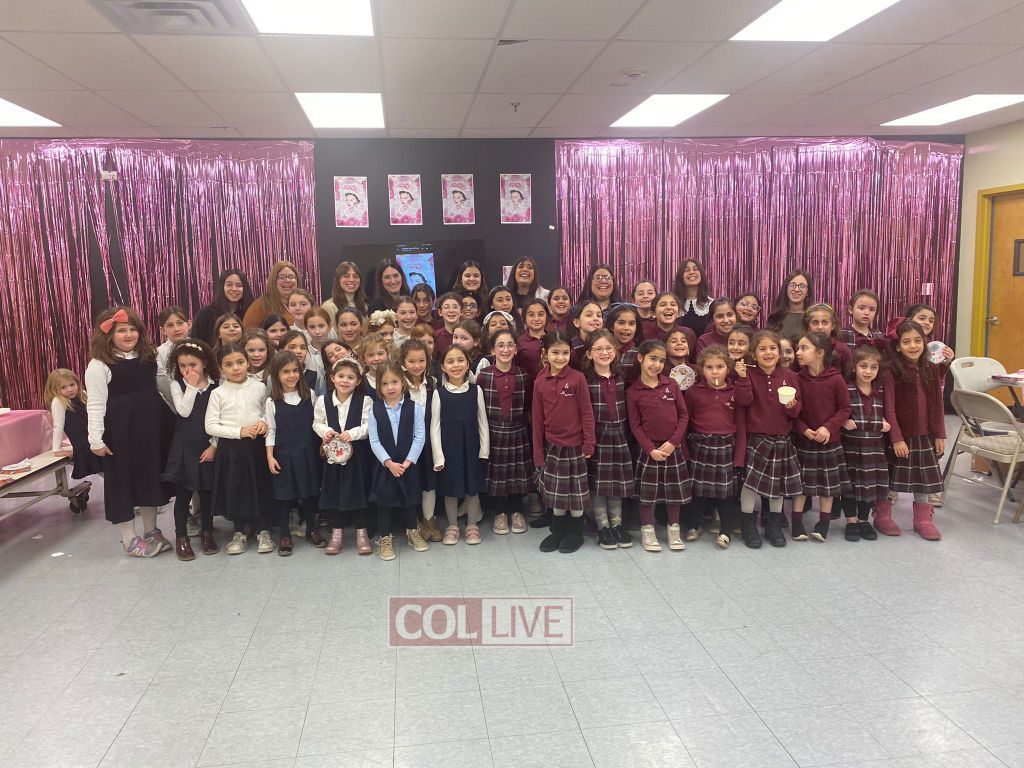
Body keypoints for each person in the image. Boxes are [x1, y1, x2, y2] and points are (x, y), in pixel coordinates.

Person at [85, 307, 173, 557]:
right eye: (121, 330)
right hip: (120, 432)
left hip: (150, 429)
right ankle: (129, 539)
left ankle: (151, 530)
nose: (128, 335)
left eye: (133, 329)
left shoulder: (149, 356)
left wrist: (180, 411)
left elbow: (163, 385)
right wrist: (95, 439)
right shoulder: (99, 365)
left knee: (149, 477)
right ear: (108, 334)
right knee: (122, 481)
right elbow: (95, 404)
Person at [205, 342, 273, 555]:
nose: (236, 368)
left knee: (260, 487)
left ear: (247, 362)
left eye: (240, 362)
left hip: (256, 446)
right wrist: (239, 431)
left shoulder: (259, 386)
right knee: (236, 489)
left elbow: (268, 410)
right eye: (229, 364)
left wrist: (263, 421)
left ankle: (263, 531)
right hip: (231, 450)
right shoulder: (218, 393)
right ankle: (239, 532)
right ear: (221, 368)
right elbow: (210, 426)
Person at [880, 319, 946, 540]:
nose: (913, 345)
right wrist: (897, 438)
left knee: (924, 480)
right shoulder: (891, 371)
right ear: (898, 346)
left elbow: (938, 403)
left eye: (918, 340)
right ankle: (883, 515)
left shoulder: (931, 367)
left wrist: (939, 433)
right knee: (891, 476)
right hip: (901, 435)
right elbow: (889, 408)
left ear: (925, 342)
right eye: (906, 341)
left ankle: (923, 520)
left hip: (925, 435)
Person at [532, 331, 595, 554]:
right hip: (553, 447)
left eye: (565, 353)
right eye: (555, 353)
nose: (560, 357)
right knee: (557, 494)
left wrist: (589, 443)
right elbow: (537, 419)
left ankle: (575, 533)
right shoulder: (540, 381)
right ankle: (557, 530)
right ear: (545, 354)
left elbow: (587, 413)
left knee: (576, 494)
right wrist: (538, 453)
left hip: (576, 447)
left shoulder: (577, 378)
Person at [739, 330, 803, 548]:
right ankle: (748, 526)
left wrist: (792, 407)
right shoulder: (749, 374)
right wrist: (742, 378)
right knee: (750, 484)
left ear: (779, 353)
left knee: (777, 486)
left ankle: (773, 525)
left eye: (772, 348)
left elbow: (797, 409)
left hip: (781, 439)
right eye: (762, 349)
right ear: (754, 354)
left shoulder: (789, 376)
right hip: (757, 439)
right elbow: (744, 401)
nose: (768, 352)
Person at [627, 339, 692, 553]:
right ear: (640, 358)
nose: (657, 365)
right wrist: (650, 449)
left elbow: (683, 415)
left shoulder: (671, 385)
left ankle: (674, 530)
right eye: (652, 359)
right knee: (647, 495)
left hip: (672, 449)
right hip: (649, 451)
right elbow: (635, 425)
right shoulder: (634, 391)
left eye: (661, 361)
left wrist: (673, 442)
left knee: (673, 493)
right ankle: (648, 530)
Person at [684, 345, 750, 548]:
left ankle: (725, 531)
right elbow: (685, 422)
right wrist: (685, 451)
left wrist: (739, 457)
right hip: (700, 446)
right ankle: (694, 525)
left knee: (726, 493)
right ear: (702, 369)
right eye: (709, 367)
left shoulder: (734, 391)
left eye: (720, 367)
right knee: (697, 490)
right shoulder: (693, 392)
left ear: (728, 368)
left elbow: (741, 424)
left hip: (725, 447)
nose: (714, 371)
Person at [791, 332, 852, 542]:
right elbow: (793, 412)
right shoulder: (797, 379)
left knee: (828, 488)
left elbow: (845, 409)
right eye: (798, 348)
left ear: (819, 353)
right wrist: (803, 429)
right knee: (801, 486)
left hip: (829, 442)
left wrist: (828, 428)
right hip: (805, 442)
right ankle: (797, 523)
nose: (798, 353)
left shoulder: (836, 379)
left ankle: (823, 524)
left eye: (804, 348)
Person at [162, 340, 219, 560]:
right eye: (182, 366)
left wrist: (214, 445)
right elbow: (183, 411)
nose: (188, 370)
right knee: (183, 493)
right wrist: (192, 387)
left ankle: (207, 532)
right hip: (185, 447)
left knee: (207, 492)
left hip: (208, 444)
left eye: (193, 365)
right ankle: (181, 537)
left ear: (204, 362)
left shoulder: (216, 385)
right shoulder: (178, 385)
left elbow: (223, 416)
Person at [431, 345, 490, 545]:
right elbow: (435, 427)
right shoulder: (439, 393)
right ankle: (452, 525)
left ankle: (472, 525)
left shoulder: (476, 390)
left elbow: (482, 421)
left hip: (472, 447)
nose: (456, 365)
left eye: (460, 360)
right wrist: (438, 456)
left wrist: (484, 450)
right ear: (443, 367)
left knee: (472, 487)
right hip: (449, 449)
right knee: (451, 487)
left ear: (468, 364)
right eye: (450, 361)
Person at [369, 361, 428, 560]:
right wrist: (388, 463)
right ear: (379, 387)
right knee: (384, 503)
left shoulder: (414, 407)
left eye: (394, 382)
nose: (390, 387)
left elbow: (419, 436)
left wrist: (408, 461)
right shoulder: (375, 410)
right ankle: (385, 538)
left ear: (402, 382)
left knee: (410, 500)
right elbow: (374, 440)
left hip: (407, 465)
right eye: (385, 384)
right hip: (385, 466)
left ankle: (412, 531)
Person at [476, 329, 532, 536]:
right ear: (492, 350)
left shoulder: (524, 375)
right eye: (500, 345)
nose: (505, 350)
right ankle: (499, 512)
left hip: (518, 431)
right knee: (497, 473)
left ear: (516, 349)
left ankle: (517, 510)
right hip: (493, 432)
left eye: (510, 345)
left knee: (517, 473)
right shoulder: (484, 376)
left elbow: (528, 405)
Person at [265, 351, 321, 556]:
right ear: (276, 375)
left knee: (309, 493)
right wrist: (270, 456)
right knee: (283, 496)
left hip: (307, 453)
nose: (291, 375)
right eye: (285, 372)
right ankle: (284, 535)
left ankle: (312, 529)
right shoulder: (272, 402)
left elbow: (317, 423)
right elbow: (271, 431)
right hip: (283, 455)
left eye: (295, 370)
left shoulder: (309, 395)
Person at [314, 358, 372, 555]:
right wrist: (326, 431)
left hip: (357, 457)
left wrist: (352, 433)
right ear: (332, 378)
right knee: (334, 492)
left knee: (359, 491)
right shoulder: (323, 400)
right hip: (333, 457)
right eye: (341, 376)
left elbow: (368, 425)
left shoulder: (365, 401)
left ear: (358, 381)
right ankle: (336, 534)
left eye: (350, 377)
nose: (345, 381)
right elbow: (317, 422)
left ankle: (362, 533)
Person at [583, 330, 634, 549]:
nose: (604, 353)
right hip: (598, 437)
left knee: (615, 483)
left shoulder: (622, 378)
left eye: (608, 348)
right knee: (598, 484)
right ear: (589, 354)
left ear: (616, 351)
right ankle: (602, 526)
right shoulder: (585, 380)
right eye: (599, 349)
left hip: (619, 436)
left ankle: (617, 524)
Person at [838, 345, 888, 542]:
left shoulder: (880, 391)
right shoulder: (846, 389)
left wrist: (884, 421)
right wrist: (843, 420)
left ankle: (863, 520)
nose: (868, 371)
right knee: (849, 486)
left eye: (873, 367)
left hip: (874, 449)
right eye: (863, 366)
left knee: (869, 486)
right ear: (854, 367)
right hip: (851, 448)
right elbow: (838, 411)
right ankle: (851, 521)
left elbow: (886, 413)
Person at [399, 340, 441, 543]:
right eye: (411, 361)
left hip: (429, 440)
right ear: (403, 362)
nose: (417, 366)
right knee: (411, 482)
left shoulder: (433, 382)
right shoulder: (399, 384)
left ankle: (429, 519)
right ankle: (413, 522)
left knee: (429, 482)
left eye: (421, 360)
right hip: (408, 442)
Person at [44, 368, 103, 479]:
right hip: (83, 444)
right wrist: (56, 449)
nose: (70, 389)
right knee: (102, 469)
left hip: (95, 438)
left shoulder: (83, 394)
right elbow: (58, 426)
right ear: (54, 389)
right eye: (63, 387)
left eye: (72, 384)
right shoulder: (58, 402)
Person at [193, 269, 254, 345]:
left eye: (239, 285)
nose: (234, 289)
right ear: (222, 287)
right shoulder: (205, 314)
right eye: (229, 285)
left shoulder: (251, 313)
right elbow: (195, 344)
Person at [243, 260, 303, 329]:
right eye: (281, 277)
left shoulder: (306, 303)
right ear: (274, 280)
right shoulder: (261, 305)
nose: (287, 280)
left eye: (291, 277)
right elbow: (248, 332)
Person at [156, 306, 192, 410]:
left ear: (189, 324)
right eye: (170, 325)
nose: (176, 329)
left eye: (180, 323)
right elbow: (163, 384)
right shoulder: (159, 353)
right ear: (163, 330)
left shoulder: (199, 347)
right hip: (175, 404)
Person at [803, 303, 852, 377]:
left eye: (825, 323)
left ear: (832, 326)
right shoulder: (802, 348)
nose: (820, 327)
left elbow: (848, 377)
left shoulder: (842, 350)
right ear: (808, 326)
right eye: (815, 323)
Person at [766, 269, 812, 341]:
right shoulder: (775, 317)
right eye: (792, 285)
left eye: (802, 286)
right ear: (786, 288)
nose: (796, 289)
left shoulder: (812, 318)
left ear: (808, 292)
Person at [672, 259, 713, 336]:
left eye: (695, 269)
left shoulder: (711, 304)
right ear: (680, 276)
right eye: (686, 270)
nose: (691, 272)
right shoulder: (673, 305)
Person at [605, 303, 642, 383]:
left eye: (631, 324)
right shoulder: (604, 351)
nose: (626, 328)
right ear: (611, 326)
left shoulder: (638, 355)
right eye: (621, 323)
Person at [516, 297, 549, 380]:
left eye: (541, 314)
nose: (536, 319)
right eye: (531, 315)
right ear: (524, 317)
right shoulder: (518, 342)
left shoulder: (555, 339)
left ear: (547, 316)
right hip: (528, 386)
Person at [355, 333, 390, 402]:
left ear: (387, 354)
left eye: (380, 354)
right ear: (363, 359)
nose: (376, 358)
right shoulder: (361, 382)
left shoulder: (397, 376)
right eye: (370, 355)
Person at [570, 300, 604, 369]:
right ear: (576, 322)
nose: (596, 318)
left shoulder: (607, 344)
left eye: (599, 315)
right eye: (589, 315)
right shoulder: (571, 348)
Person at [434, 292, 463, 358]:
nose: (451, 310)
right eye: (446, 307)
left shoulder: (469, 334)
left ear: (461, 311)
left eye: (455, 307)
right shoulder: (435, 336)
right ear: (440, 312)